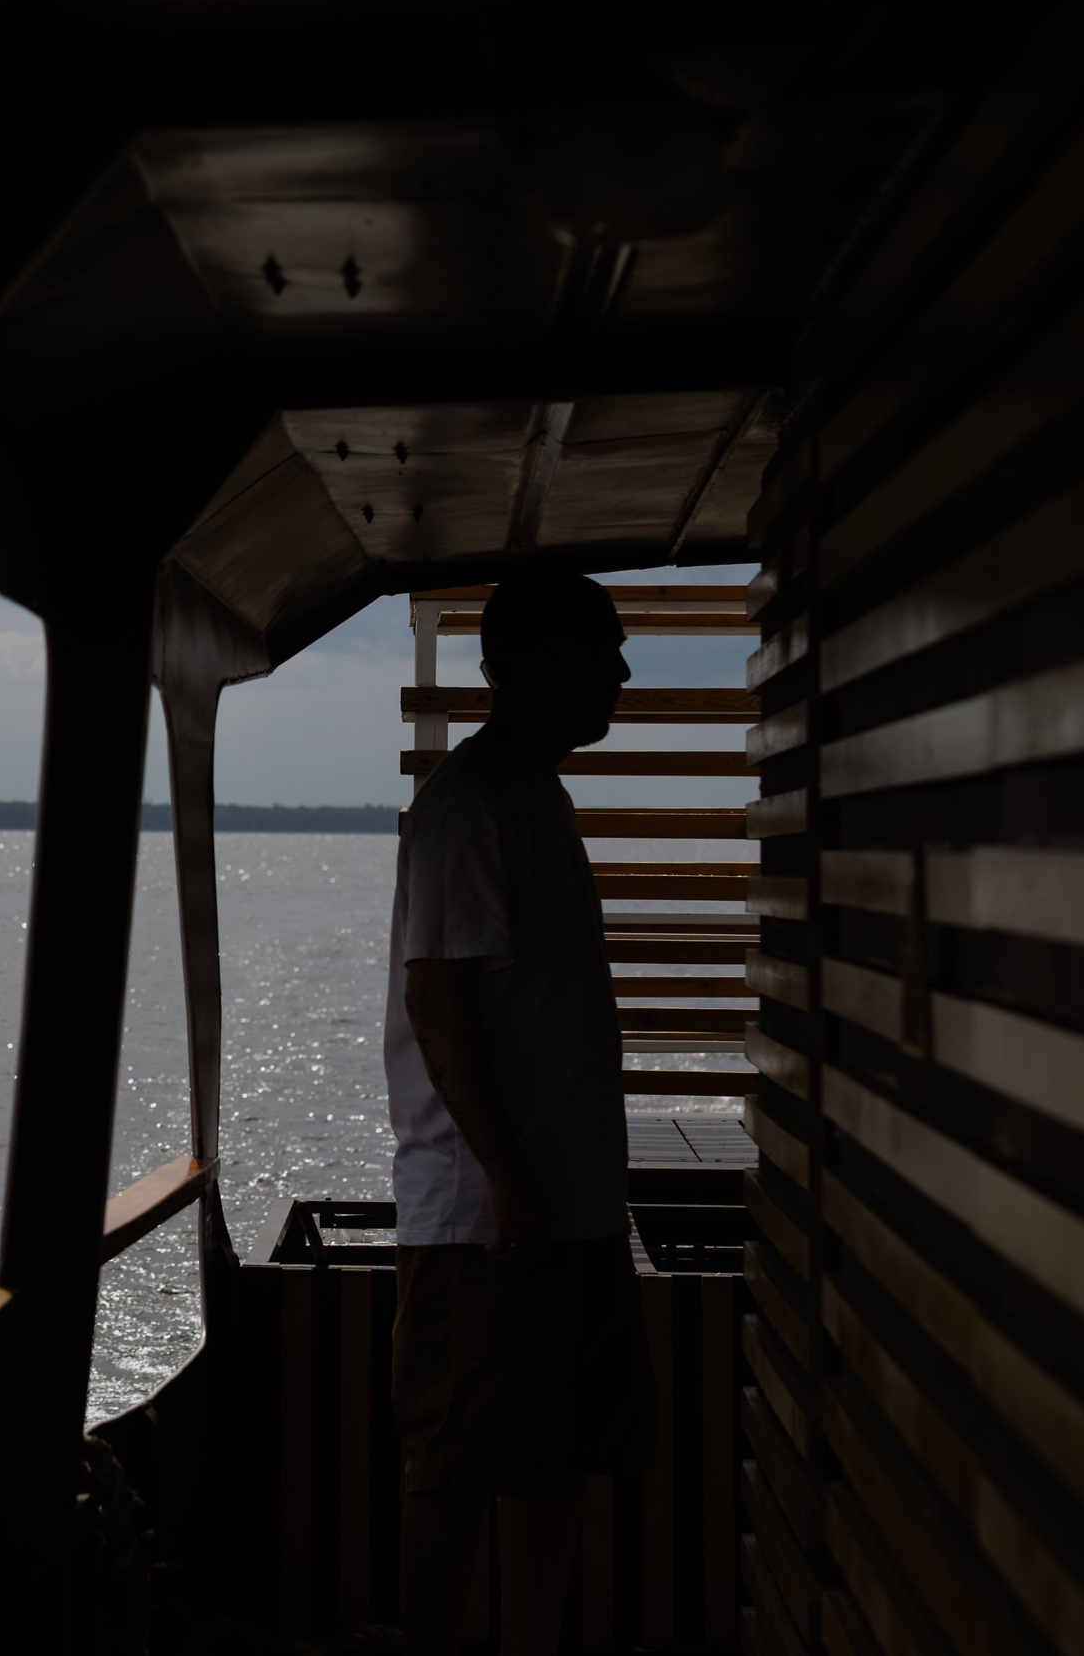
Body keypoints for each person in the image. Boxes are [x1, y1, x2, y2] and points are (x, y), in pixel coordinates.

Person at [384, 569, 653, 1656]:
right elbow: (437, 1006)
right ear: (538, 666)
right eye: (607, 652)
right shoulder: (469, 806)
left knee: (555, 1459)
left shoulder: (532, 795)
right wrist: (503, 1177)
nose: (626, 674)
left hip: (561, 1206)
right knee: (457, 1465)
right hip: (488, 1219)